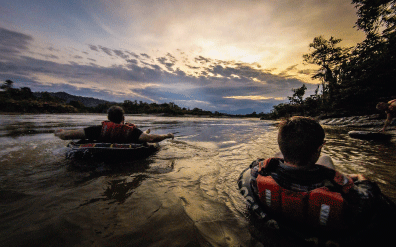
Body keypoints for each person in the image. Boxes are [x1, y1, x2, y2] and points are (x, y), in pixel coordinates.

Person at [249, 116, 380, 230]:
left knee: (321, 160)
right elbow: (367, 200)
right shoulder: (335, 186)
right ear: (320, 147)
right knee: (326, 159)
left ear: (281, 145)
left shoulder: (258, 171)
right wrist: (362, 179)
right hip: (321, 223)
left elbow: (255, 165)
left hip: (281, 202)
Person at [55, 106, 174, 143]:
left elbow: (66, 135)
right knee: (143, 136)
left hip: (98, 157)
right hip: (129, 148)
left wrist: (59, 132)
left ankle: (145, 131)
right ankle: (146, 131)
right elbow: (151, 138)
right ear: (123, 118)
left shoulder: (98, 130)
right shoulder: (131, 131)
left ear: (108, 118)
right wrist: (167, 135)